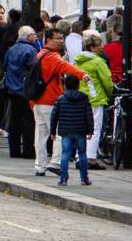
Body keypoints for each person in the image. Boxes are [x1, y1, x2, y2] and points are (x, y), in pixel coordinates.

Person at [30, 30, 87, 176]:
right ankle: (55, 162)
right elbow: (66, 67)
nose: (61, 41)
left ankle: (39, 166)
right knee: (58, 132)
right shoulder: (53, 56)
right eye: (58, 38)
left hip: (38, 100)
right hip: (50, 100)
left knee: (40, 134)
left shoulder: (39, 54)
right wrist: (82, 75)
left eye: (62, 38)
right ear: (49, 40)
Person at [74, 32, 114, 168]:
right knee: (95, 128)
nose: (101, 47)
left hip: (81, 97)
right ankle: (90, 158)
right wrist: (109, 94)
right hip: (95, 98)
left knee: (82, 128)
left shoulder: (78, 61)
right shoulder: (98, 62)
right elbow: (107, 82)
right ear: (91, 47)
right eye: (98, 45)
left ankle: (79, 156)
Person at [1, 26, 40, 160]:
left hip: (12, 89)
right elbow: (35, 69)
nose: (35, 37)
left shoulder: (11, 50)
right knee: (28, 122)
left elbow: (5, 66)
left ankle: (14, 150)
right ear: (28, 36)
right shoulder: (31, 50)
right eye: (34, 35)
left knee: (14, 120)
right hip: (25, 90)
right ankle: (28, 151)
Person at [51, 74, 93, 186]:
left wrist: (52, 132)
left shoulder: (61, 99)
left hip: (66, 130)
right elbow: (89, 115)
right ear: (78, 85)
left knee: (65, 154)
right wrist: (90, 131)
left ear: (65, 85)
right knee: (82, 154)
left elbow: (54, 116)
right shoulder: (84, 98)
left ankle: (63, 178)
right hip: (80, 130)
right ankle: (84, 178)